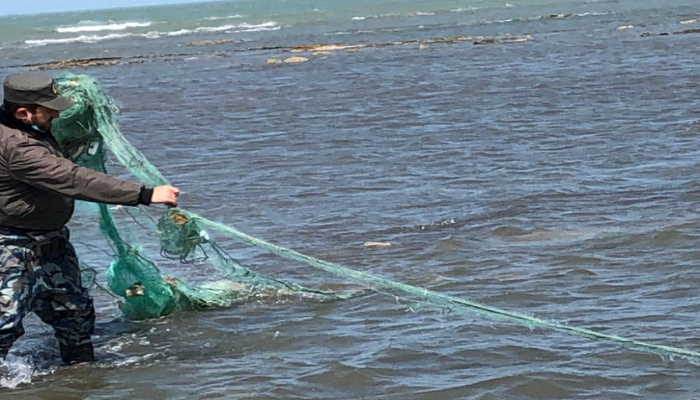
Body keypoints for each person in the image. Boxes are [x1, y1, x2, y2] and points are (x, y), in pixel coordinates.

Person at [0, 73, 179, 365]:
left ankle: (80, 379)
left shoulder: (30, 128)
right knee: (5, 323)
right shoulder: (18, 148)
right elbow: (74, 179)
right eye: (50, 109)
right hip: (11, 247)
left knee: (75, 314)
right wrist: (145, 194)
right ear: (23, 112)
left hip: (51, 241)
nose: (57, 113)